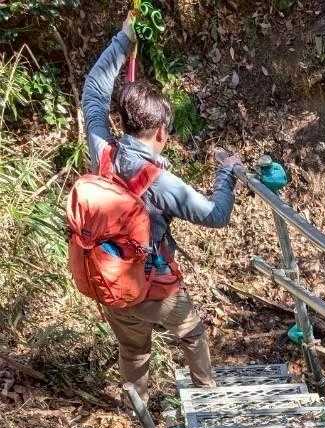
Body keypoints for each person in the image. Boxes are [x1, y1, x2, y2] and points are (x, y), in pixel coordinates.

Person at [81, 11, 242, 398]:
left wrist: (123, 40)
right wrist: (227, 172)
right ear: (160, 132)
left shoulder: (103, 153)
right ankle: (207, 396)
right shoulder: (160, 182)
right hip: (154, 286)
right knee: (192, 333)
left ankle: (137, 410)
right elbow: (216, 215)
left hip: (109, 277)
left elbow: (93, 95)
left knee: (134, 349)